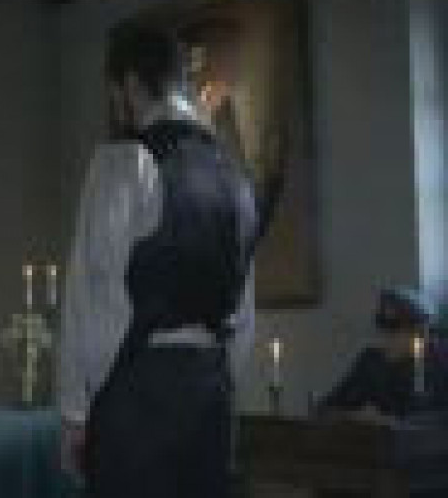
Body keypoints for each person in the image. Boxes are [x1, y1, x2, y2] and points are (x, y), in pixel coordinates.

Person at [58, 26, 288, 498]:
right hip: (210, 390)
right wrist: (217, 382)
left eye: (115, 93)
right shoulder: (236, 179)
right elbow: (242, 311)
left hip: (138, 390)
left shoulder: (123, 161)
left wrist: (75, 412)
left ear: (129, 83)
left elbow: (95, 295)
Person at [319, 287, 448, 419]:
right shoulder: (372, 362)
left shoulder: (437, 364)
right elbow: (331, 405)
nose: (385, 339)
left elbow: (429, 418)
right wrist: (352, 417)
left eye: (394, 331)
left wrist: (386, 421)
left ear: (419, 334)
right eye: (383, 330)